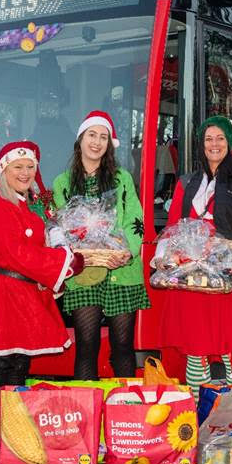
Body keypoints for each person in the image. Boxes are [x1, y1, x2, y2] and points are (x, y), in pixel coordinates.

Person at [0, 140, 86, 456]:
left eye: (30, 167)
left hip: (21, 291)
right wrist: (62, 263)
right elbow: (18, 254)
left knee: (19, 359)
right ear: (4, 169)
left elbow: (37, 237)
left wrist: (59, 243)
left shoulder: (27, 202)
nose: (24, 172)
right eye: (17, 167)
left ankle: (10, 427)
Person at [151, 115, 232, 400]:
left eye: (220, 138)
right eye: (209, 139)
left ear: (229, 144)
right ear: (202, 144)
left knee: (231, 349)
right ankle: (199, 412)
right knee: (195, 352)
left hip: (224, 276)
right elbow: (173, 226)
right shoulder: (187, 182)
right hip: (190, 277)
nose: (214, 144)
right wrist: (162, 258)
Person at [50, 110, 149, 380]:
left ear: (109, 144)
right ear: (80, 139)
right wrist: (76, 254)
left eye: (103, 137)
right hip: (83, 273)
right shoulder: (62, 183)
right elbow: (58, 225)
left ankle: (124, 410)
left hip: (122, 272)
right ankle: (88, 413)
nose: (97, 142)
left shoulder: (122, 179)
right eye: (92, 135)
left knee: (123, 348)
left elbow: (135, 219)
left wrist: (126, 250)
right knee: (86, 345)